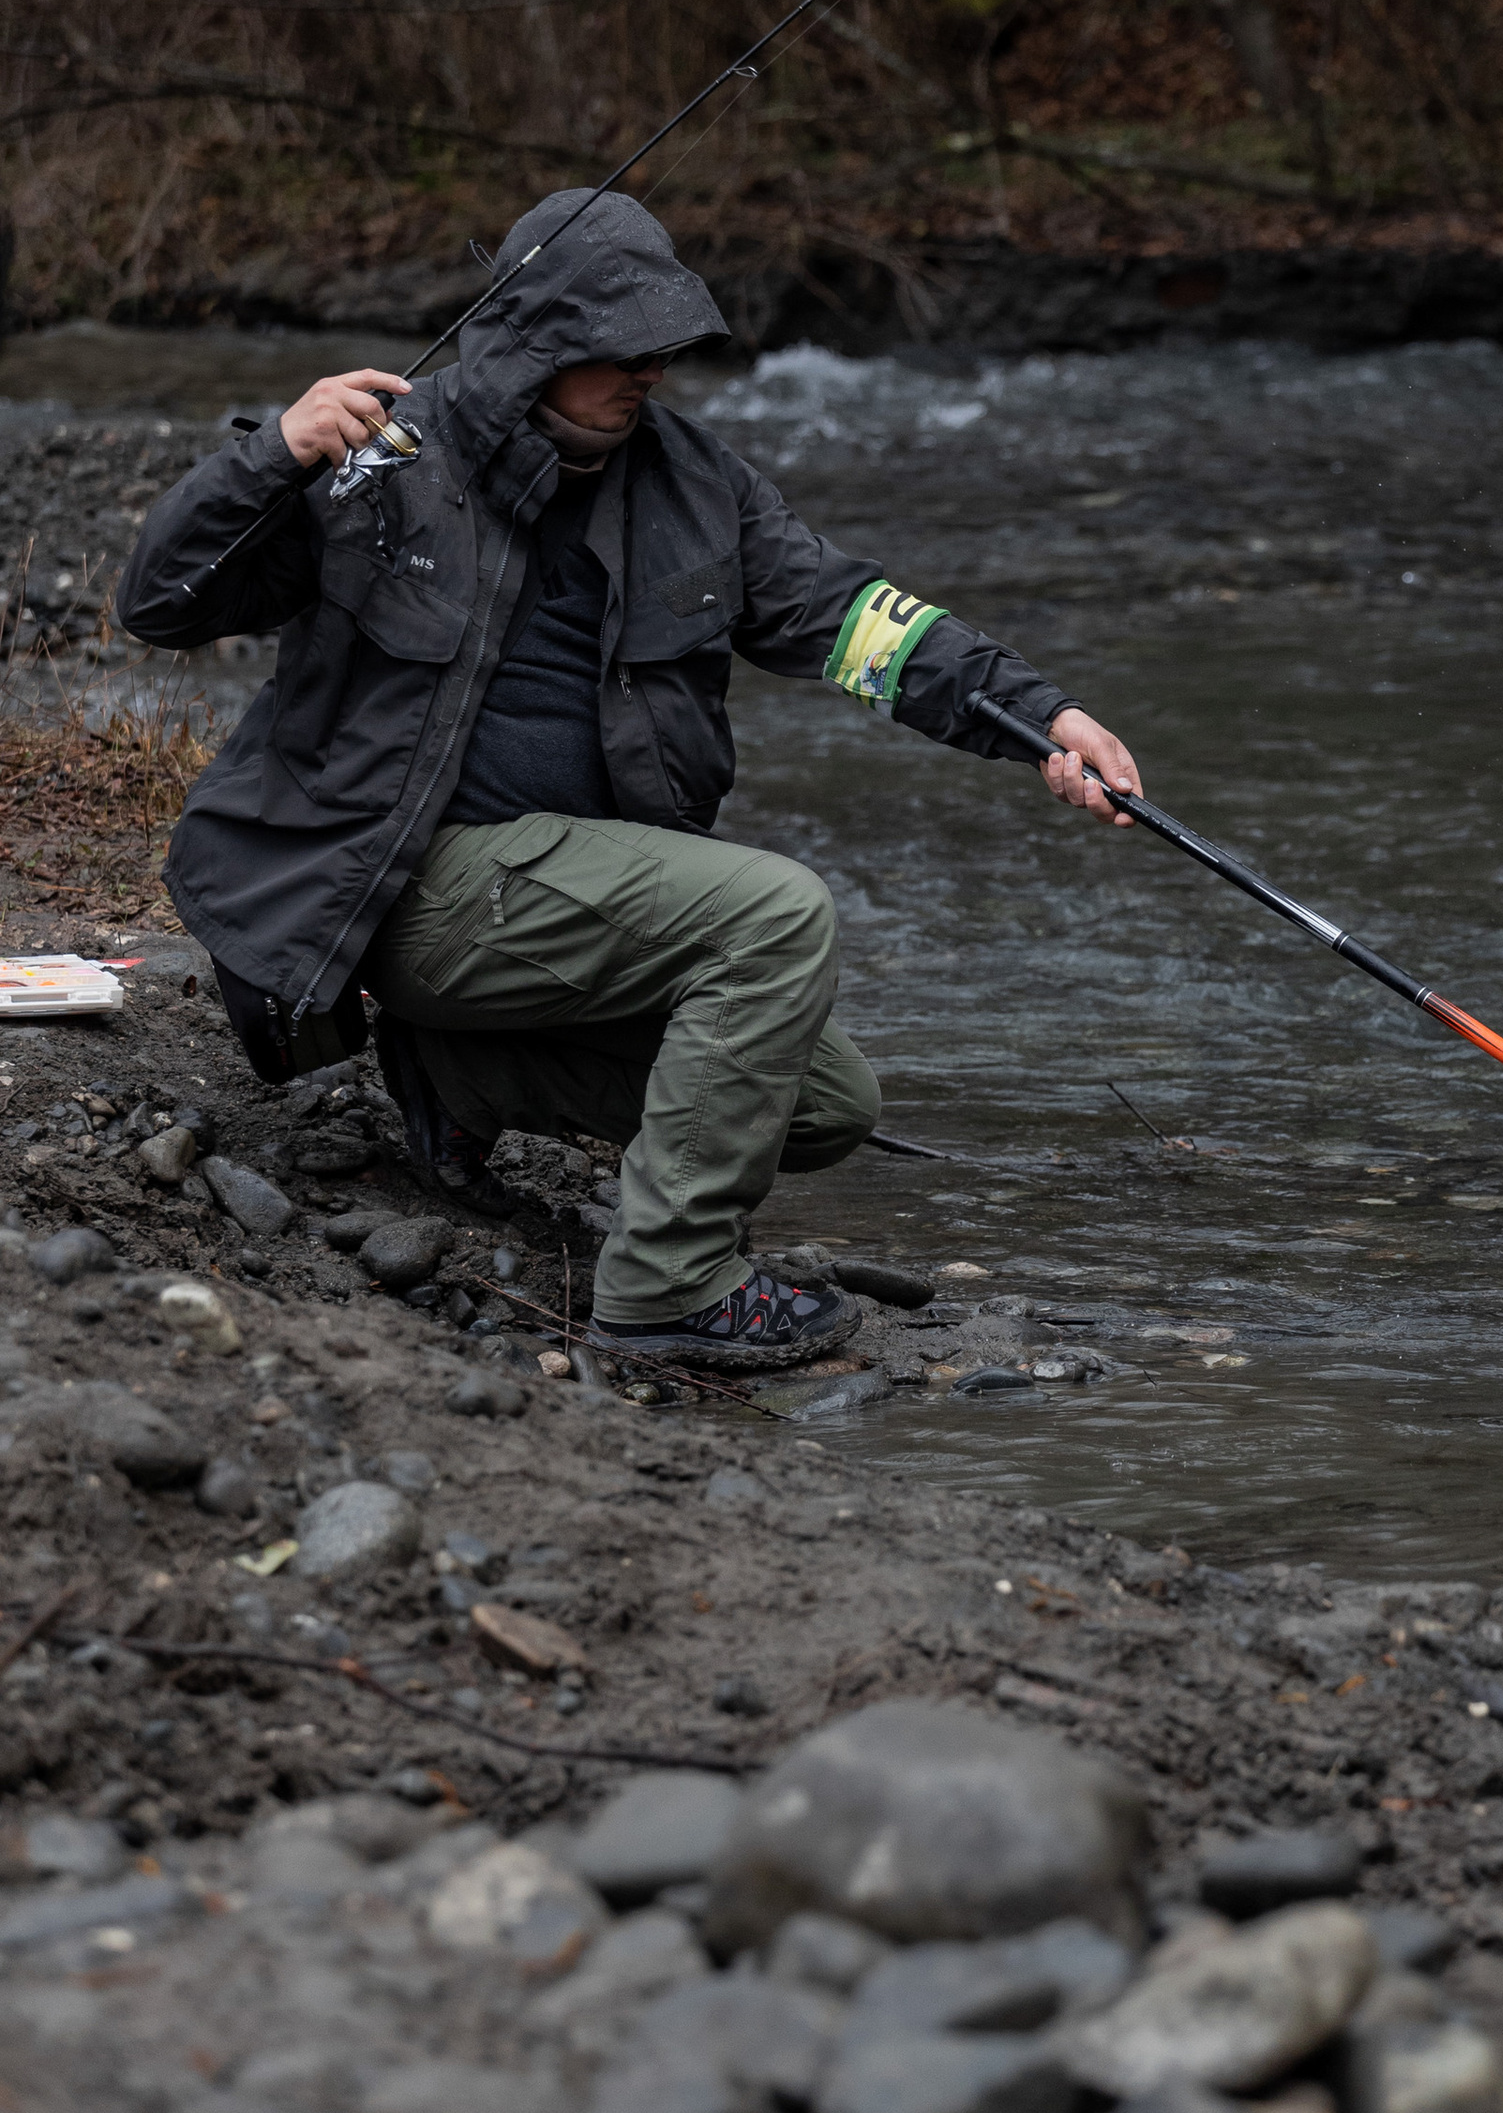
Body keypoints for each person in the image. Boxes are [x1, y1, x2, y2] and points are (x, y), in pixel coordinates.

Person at [117, 186, 1140, 1372]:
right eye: (621, 348)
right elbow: (159, 602)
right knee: (776, 914)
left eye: (663, 346)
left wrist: (1040, 719)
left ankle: (450, 1071)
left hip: (566, 925)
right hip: (390, 892)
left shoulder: (699, 485)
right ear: (535, 340)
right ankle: (667, 1289)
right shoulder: (377, 457)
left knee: (821, 1106)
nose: (649, 370)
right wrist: (269, 456)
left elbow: (856, 622)